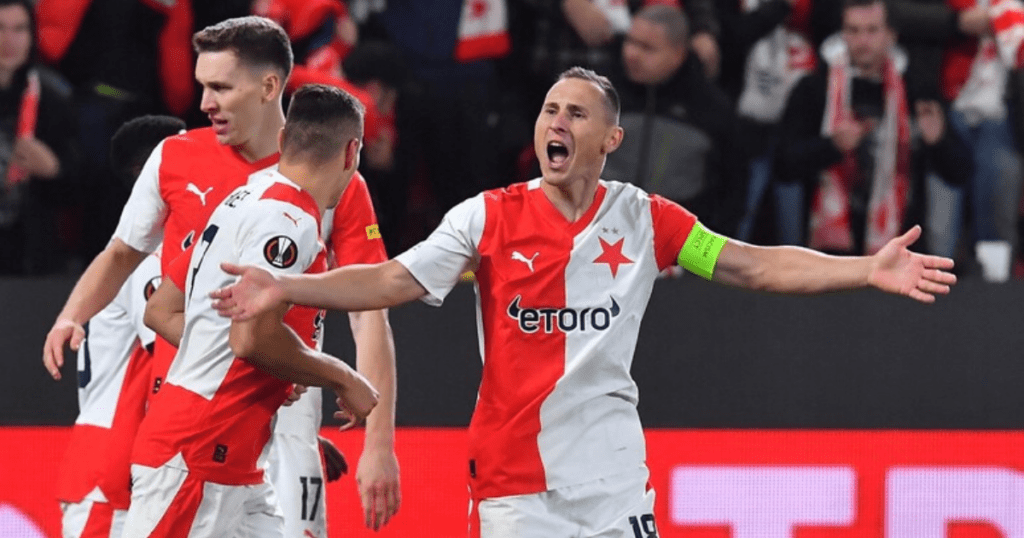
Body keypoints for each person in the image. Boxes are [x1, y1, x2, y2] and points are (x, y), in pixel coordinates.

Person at [210, 66, 957, 537]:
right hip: (514, 488)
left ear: (611, 138)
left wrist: (865, 268)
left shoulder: (648, 219)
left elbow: (750, 266)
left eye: (574, 113)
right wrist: (288, 285)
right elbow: (392, 278)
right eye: (547, 110)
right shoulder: (487, 216)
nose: (555, 124)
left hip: (612, 485)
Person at [42, 16, 400, 531]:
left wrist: (379, 444)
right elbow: (127, 259)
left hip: (278, 411)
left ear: (269, 86)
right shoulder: (181, 161)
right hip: (206, 414)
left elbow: (370, 311)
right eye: (203, 86)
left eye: (220, 87)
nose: (204, 102)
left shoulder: (323, 182)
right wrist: (72, 316)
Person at [127, 83, 379, 538]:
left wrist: (269, 367)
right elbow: (251, 338)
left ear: (283, 141)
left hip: (236, 466)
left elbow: (161, 310)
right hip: (196, 456)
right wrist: (342, 375)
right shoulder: (289, 221)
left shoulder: (241, 199)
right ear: (352, 152)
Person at [57, 115, 185, 538]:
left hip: (128, 473)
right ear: (147, 173)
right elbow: (179, 349)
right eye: (187, 153)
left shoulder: (151, 254)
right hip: (112, 476)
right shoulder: (146, 259)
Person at [776, 0, 972, 255]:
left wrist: (939, 142)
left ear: (891, 35)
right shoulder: (815, 89)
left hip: (899, 252)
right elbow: (782, 167)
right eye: (853, 31)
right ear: (842, 34)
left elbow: (960, 173)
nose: (863, 41)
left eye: (872, 30)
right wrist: (831, 146)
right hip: (828, 255)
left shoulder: (916, 89)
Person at [604, 5, 746, 235]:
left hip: (680, 251)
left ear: (678, 53)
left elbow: (733, 190)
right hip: (600, 242)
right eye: (630, 42)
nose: (632, 54)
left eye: (647, 48)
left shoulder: (711, 109)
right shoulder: (600, 95)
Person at [0, 0, 79, 275]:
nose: (8, 40)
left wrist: (56, 169)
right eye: (0, 28)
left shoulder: (52, 95)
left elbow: (83, 184)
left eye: (19, 29)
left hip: (31, 255)